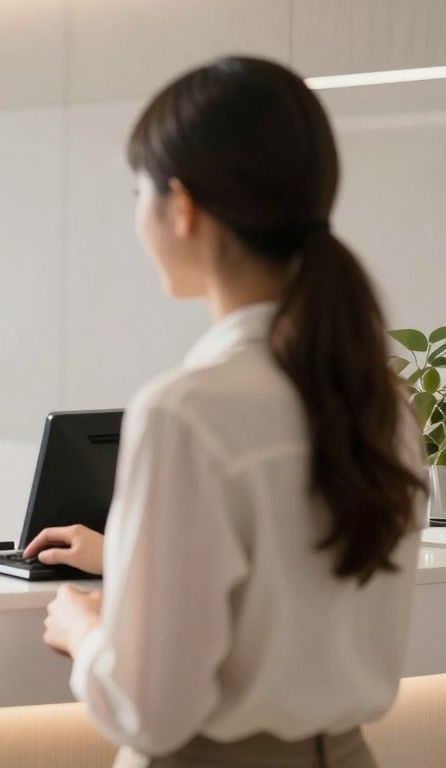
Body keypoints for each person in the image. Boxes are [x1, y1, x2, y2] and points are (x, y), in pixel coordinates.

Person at [29, 57, 426, 767]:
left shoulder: (186, 412)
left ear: (181, 206)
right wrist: (127, 559)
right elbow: (295, 582)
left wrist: (83, 630)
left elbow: (150, 709)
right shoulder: (384, 404)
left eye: (138, 191)